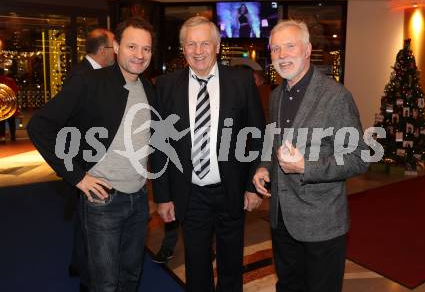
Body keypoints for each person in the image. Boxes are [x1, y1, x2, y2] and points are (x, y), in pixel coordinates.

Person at [27, 17, 155, 292]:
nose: (140, 55)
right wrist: (77, 177)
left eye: (146, 49)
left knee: (131, 277)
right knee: (104, 284)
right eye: (132, 47)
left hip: (140, 200)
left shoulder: (149, 89)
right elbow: (40, 126)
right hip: (102, 201)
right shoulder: (89, 81)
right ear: (117, 46)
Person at [252, 20, 370, 292]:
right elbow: (274, 141)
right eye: (276, 49)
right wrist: (263, 167)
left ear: (307, 50)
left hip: (322, 223)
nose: (282, 55)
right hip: (281, 218)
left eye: (290, 47)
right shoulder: (276, 95)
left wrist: (307, 166)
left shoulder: (336, 97)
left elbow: (359, 157)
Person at [152, 16, 265, 292]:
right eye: (191, 44)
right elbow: (160, 143)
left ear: (216, 46)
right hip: (190, 193)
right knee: (196, 263)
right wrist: (163, 196)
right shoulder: (167, 85)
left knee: (231, 264)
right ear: (183, 48)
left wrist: (253, 187)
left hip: (232, 190)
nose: (198, 50)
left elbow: (257, 136)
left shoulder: (240, 81)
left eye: (205, 43)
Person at [64, 28, 115, 292]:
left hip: (88, 159)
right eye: (114, 48)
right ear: (103, 50)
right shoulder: (83, 76)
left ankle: (77, 263)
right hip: (84, 162)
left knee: (83, 218)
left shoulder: (91, 73)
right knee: (88, 224)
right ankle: (87, 278)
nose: (116, 54)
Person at [0, 67, 19, 143]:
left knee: (1, 122)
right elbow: (15, 90)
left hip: (1, 106)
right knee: (11, 121)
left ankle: (2, 138)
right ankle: (13, 136)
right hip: (10, 104)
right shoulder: (10, 80)